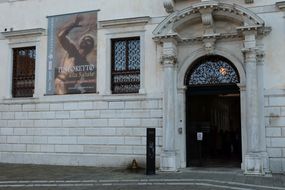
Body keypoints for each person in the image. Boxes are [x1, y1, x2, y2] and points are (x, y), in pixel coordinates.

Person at [55, 15, 95, 94]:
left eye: (89, 40)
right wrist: (73, 24)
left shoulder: (86, 63)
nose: (85, 40)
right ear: (80, 42)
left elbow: (88, 81)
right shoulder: (72, 50)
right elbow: (60, 36)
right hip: (61, 83)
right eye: (84, 38)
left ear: (90, 47)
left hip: (71, 89)